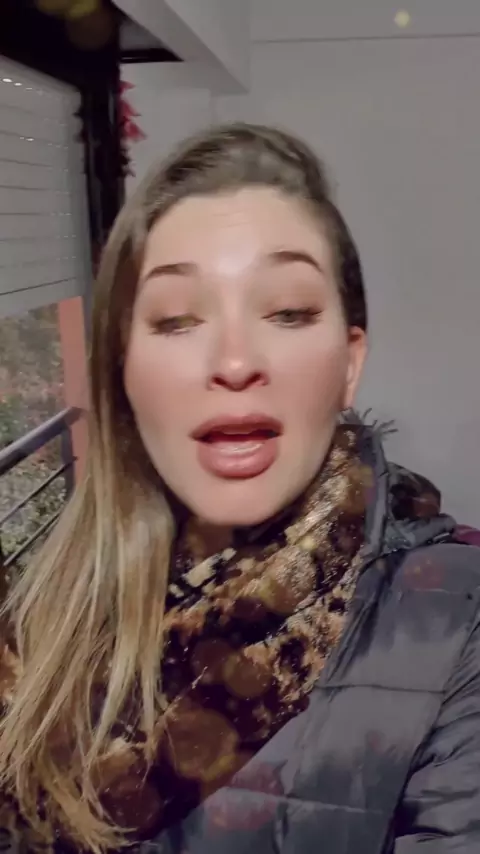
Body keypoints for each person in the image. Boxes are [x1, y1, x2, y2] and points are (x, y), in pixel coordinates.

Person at [0, 123, 479, 854]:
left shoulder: (457, 622)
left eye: (287, 312)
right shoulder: (44, 609)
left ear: (349, 363)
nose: (233, 361)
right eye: (176, 319)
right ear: (123, 373)